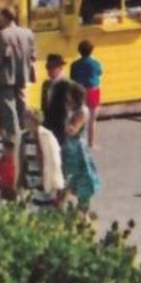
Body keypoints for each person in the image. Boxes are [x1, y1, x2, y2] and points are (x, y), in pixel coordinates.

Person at [0, 7, 37, 143]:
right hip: (23, 72)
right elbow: (33, 53)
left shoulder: (2, 35)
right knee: (21, 100)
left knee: (8, 105)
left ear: (4, 17)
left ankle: (13, 133)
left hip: (6, 74)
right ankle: (25, 129)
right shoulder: (27, 32)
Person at [58, 81, 100, 209]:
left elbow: (73, 129)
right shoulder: (73, 109)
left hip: (76, 148)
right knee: (65, 178)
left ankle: (83, 208)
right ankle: (65, 204)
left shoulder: (82, 111)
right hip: (68, 146)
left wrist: (63, 125)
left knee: (79, 176)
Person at [70, 40, 103, 148]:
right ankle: (91, 142)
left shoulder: (74, 65)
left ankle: (77, 140)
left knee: (79, 115)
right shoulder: (95, 63)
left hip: (80, 90)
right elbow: (99, 72)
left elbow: (72, 78)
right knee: (92, 119)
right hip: (93, 90)